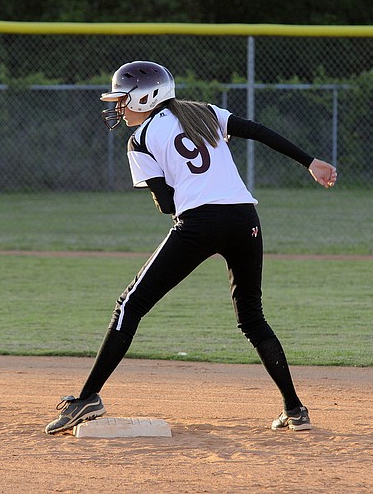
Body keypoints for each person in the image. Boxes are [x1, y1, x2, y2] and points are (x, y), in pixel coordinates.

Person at [45, 61, 337, 435]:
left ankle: (88, 398)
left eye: (123, 99)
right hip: (245, 217)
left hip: (200, 222)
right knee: (252, 317)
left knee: (129, 306)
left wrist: (175, 184)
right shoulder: (204, 112)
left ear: (146, 97)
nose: (118, 107)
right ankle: (295, 410)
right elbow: (257, 131)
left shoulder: (140, 140)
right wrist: (310, 162)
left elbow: (167, 204)